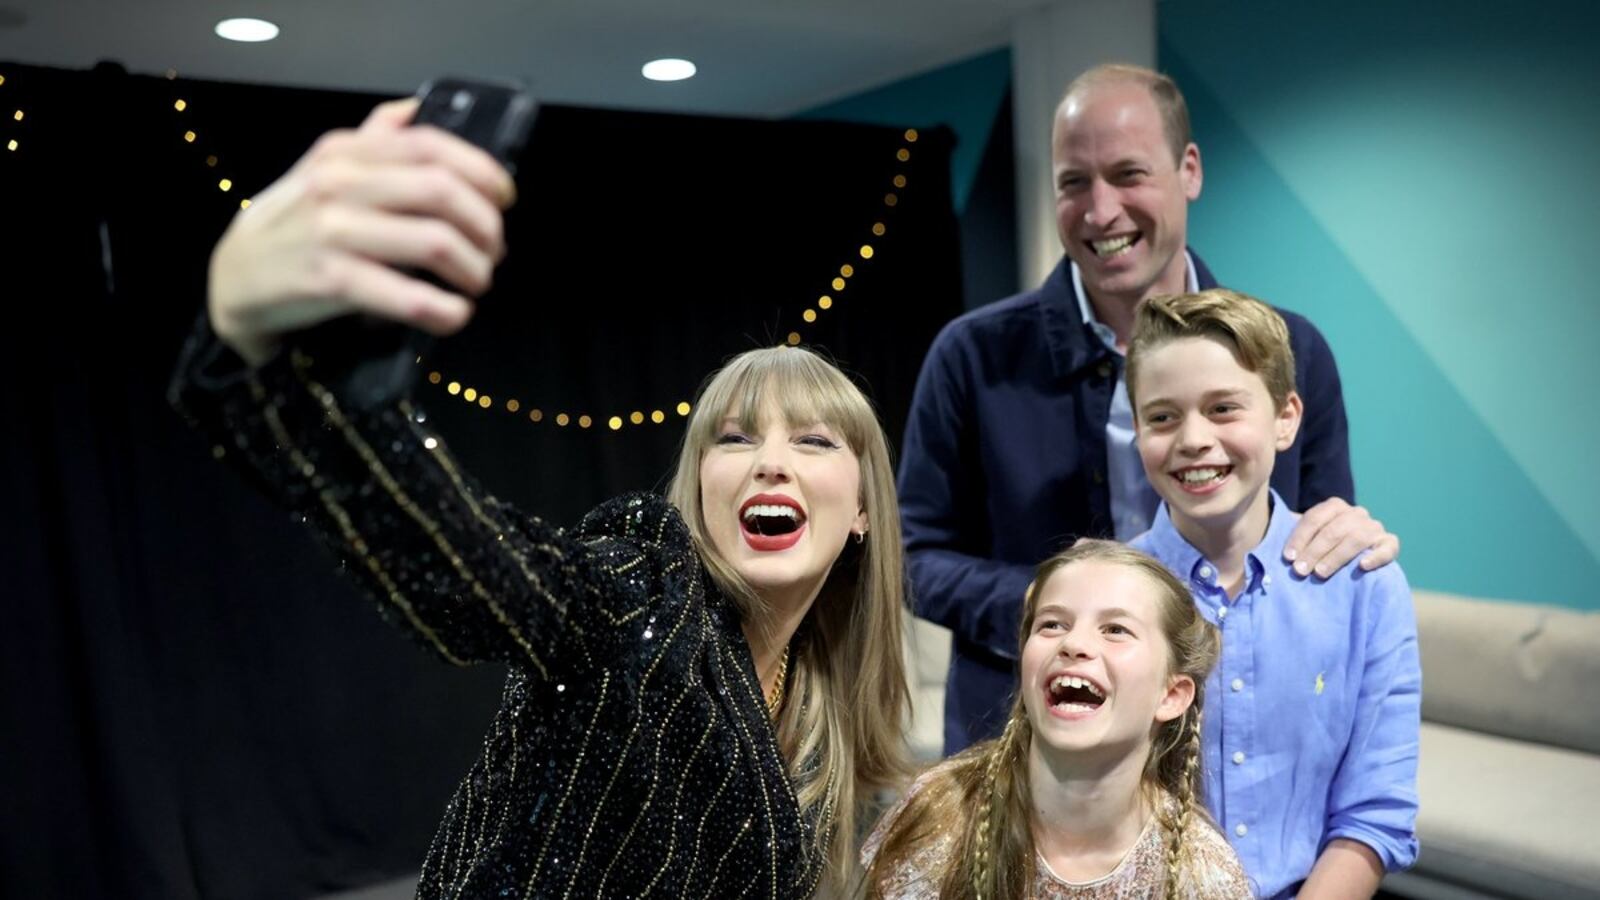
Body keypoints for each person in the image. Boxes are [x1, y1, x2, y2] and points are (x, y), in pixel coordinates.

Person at [170, 99, 912, 898]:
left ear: (863, 510)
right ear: (699, 485)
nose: (770, 464)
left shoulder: (818, 697)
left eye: (813, 442)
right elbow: (471, 569)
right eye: (734, 439)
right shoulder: (641, 594)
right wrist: (256, 352)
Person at [897, 62, 1402, 753]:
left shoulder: (1295, 350)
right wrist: (1056, 605)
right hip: (1023, 738)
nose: (1100, 211)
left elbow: (1319, 539)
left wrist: (1350, 536)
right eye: (1074, 182)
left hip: (1239, 739)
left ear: (1189, 170)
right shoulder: (971, 356)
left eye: (1128, 174)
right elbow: (912, 555)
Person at [1126, 289, 1420, 898]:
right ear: (1136, 429)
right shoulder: (1107, 593)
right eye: (1162, 416)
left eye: (1223, 408)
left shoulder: (1365, 588)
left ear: (1286, 418)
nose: (1193, 438)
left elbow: (1375, 813)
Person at [861, 540, 1252, 899]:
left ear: (1171, 695)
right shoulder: (940, 816)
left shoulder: (1202, 872)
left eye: (1115, 630)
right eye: (1052, 624)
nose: (1074, 644)